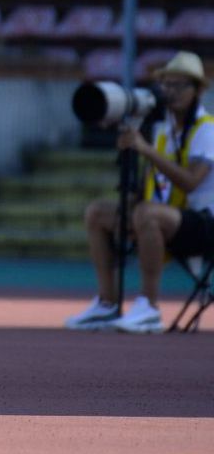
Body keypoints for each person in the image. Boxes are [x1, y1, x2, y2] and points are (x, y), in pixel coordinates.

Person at [66, 51, 214, 333]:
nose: (171, 92)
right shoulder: (162, 130)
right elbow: (152, 181)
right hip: (170, 217)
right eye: (167, 85)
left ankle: (149, 306)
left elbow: (191, 182)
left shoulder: (207, 130)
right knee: (98, 213)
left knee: (147, 215)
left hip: (205, 223)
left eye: (181, 85)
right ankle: (107, 304)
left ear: (197, 91)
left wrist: (145, 149)